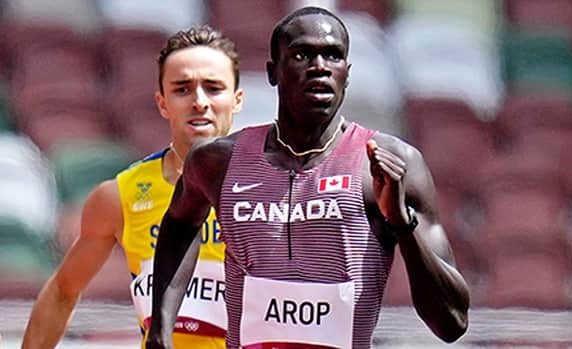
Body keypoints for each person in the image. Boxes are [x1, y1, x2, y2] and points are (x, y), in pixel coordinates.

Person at [146, 6, 470, 349]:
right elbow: (179, 226)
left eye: (333, 55)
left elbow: (452, 323)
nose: (319, 67)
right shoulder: (217, 161)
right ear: (274, 71)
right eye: (302, 54)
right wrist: (160, 330)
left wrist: (401, 223)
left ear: (347, 72)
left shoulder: (387, 164)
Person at [21, 25, 244, 349]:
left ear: (236, 99)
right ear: (162, 102)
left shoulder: (272, 187)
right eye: (182, 89)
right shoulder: (120, 195)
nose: (199, 101)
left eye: (213, 88)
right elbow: (62, 291)